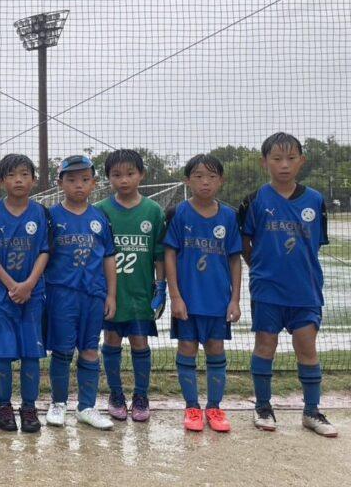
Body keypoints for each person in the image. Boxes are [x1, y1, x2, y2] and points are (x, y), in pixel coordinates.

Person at [239, 132, 337, 437]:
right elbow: (245, 242)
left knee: (307, 347)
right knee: (265, 346)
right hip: (267, 289)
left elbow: (314, 245)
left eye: (291, 158)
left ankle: (312, 412)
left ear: (301, 161)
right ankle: (263, 407)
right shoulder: (254, 200)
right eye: (277, 158)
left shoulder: (315, 200)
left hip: (305, 289)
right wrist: (260, 268)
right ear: (264, 162)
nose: (284, 165)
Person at [164, 154, 242, 433]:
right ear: (188, 181)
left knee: (216, 349)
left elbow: (235, 259)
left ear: (221, 181)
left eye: (211, 176)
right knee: (186, 349)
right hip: (188, 300)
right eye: (198, 176)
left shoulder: (229, 216)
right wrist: (175, 296)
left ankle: (214, 408)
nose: (205, 182)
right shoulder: (179, 213)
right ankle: (192, 408)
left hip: (218, 301)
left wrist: (235, 299)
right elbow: (170, 254)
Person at [44, 155, 117, 430]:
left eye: (85, 180)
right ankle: (58, 403)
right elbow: (42, 257)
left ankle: (87, 407)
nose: (79, 185)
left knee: (89, 349)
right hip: (61, 294)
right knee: (62, 351)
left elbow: (109, 257)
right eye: (72, 180)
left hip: (93, 294)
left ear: (94, 183)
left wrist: (111, 295)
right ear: (60, 183)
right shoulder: (51, 216)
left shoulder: (100, 217)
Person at [0, 154, 51, 434]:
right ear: (1, 181)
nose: (18, 180)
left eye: (24, 174)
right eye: (11, 175)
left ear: (33, 180)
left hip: (33, 294)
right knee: (3, 352)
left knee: (31, 353)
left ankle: (29, 407)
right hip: (2, 295)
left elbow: (45, 250)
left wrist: (29, 284)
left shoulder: (41, 212)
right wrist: (12, 284)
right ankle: (3, 406)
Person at [96, 149, 166, 422]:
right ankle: (116, 394)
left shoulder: (153, 210)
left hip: (140, 292)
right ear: (108, 178)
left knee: (139, 342)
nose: (123, 180)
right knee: (111, 340)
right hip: (111, 293)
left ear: (141, 175)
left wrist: (161, 287)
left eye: (130, 174)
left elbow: (160, 255)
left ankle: (141, 396)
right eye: (116, 175)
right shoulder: (101, 210)